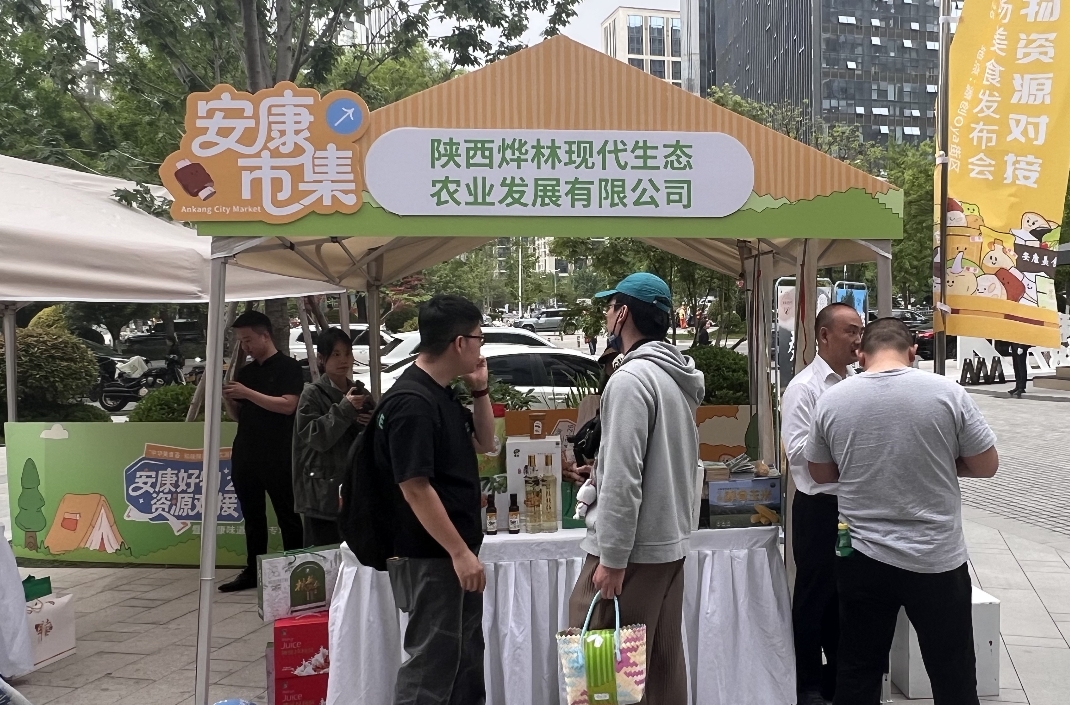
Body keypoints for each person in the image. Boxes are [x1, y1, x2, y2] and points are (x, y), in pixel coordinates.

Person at [806, 318, 999, 705]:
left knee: (857, 671)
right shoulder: (947, 393)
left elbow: (820, 473)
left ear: (862, 355)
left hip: (862, 556)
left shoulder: (833, 400)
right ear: (912, 352)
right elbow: (986, 465)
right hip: (936, 557)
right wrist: (940, 462)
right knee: (953, 673)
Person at [567, 273, 705, 705]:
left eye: (609, 307)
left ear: (623, 313)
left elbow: (624, 477)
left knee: (605, 670)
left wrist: (612, 558)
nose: (606, 315)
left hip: (633, 551)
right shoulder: (674, 377)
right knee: (659, 666)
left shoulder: (631, 380)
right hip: (667, 545)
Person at [372, 295, 497, 705]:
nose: (481, 347)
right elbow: (415, 487)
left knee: (463, 661)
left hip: (454, 552)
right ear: (460, 343)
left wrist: (480, 390)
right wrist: (459, 553)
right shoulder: (412, 404)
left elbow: (485, 441)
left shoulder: (439, 393)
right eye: (479, 338)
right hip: (432, 556)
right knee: (431, 666)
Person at [780, 302, 863, 705]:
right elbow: (798, 452)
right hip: (819, 508)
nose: (858, 339)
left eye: (861, 331)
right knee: (814, 596)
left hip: (854, 506)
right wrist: (850, 455)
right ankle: (808, 683)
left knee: (846, 596)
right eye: (851, 331)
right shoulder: (805, 388)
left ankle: (839, 679)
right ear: (824, 335)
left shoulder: (859, 382)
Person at [218, 311, 305, 592]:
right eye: (242, 342)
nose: (246, 347)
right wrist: (230, 399)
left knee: (287, 515)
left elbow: (288, 405)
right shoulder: (247, 373)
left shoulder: (289, 367)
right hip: (246, 453)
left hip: (278, 454)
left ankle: (296, 569)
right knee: (252, 517)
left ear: (265, 335)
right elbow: (240, 416)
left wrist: (247, 393)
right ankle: (253, 570)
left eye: (248, 340)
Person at [292, 328, 374, 547]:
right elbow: (315, 437)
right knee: (324, 554)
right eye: (336, 354)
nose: (343, 360)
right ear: (321, 358)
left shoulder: (360, 392)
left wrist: (372, 422)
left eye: (347, 353)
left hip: (354, 491)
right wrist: (345, 409)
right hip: (322, 493)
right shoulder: (312, 393)